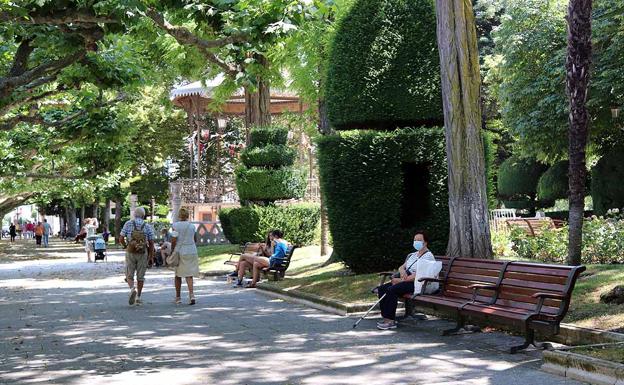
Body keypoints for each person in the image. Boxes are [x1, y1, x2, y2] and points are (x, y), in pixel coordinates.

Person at [376, 231, 435, 330]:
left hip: (419, 284)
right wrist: (402, 271)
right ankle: (386, 318)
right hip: (407, 280)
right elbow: (402, 267)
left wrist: (400, 280)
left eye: (419, 240)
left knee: (391, 289)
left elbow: (420, 274)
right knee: (382, 288)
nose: (416, 242)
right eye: (415, 240)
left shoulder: (428, 256)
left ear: (425, 242)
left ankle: (391, 321)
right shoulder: (414, 255)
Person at [120, 208, 155, 306]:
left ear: (134, 215)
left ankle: (132, 289)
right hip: (143, 253)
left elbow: (121, 238)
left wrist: (125, 246)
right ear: (143, 216)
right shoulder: (147, 226)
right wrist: (151, 256)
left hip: (131, 251)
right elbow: (151, 242)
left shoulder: (128, 223)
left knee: (129, 274)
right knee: (141, 276)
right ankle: (138, 297)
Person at [171, 208, 199, 305]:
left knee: (178, 275)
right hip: (191, 250)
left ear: (179, 215)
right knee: (189, 274)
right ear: (187, 215)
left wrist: (172, 250)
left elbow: (174, 240)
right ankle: (192, 295)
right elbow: (195, 239)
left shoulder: (175, 226)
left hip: (180, 251)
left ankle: (178, 297)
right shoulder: (192, 226)